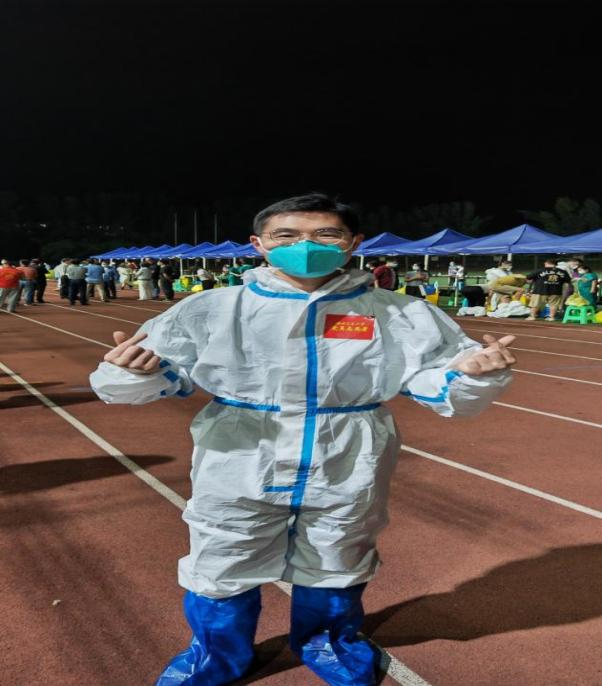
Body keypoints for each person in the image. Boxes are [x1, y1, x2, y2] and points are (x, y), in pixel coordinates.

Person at [89, 193, 515, 686]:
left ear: (353, 243)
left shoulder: (399, 313)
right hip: (240, 452)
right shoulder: (212, 309)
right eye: (286, 236)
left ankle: (330, 644)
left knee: (339, 550)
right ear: (258, 244)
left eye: (325, 234)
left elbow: (439, 380)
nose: (306, 246)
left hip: (347, 452)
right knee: (222, 553)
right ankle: (215, 657)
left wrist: (475, 375)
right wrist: (133, 372)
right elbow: (147, 375)